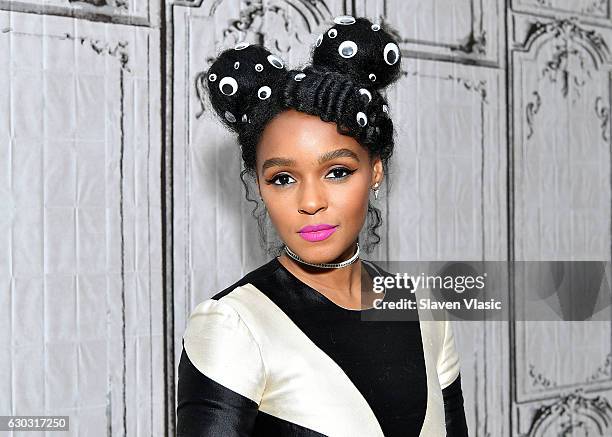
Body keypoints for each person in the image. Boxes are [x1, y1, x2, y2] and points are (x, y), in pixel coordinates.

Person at [176, 15, 469, 437]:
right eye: (283, 178)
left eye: (337, 172)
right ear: (258, 185)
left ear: (375, 170)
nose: (310, 202)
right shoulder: (233, 327)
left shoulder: (425, 314)